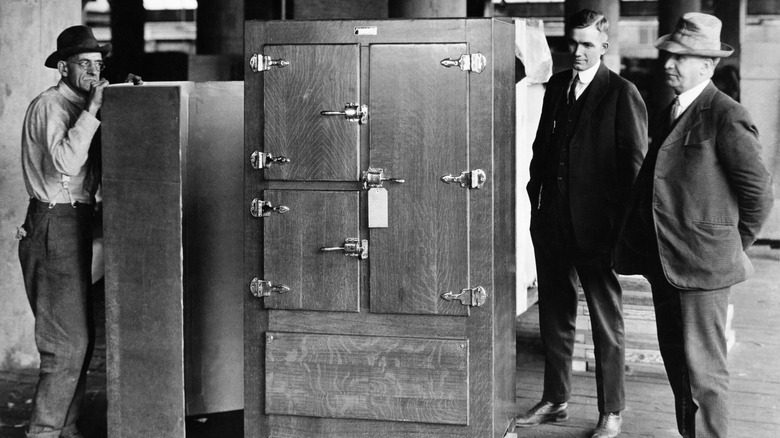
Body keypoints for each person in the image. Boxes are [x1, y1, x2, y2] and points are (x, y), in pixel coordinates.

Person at [615, 13, 774, 438]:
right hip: (667, 262)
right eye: (668, 54)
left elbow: (758, 193)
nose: (669, 63)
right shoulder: (674, 109)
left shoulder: (726, 114)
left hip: (704, 266)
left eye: (681, 57)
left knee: (705, 373)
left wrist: (729, 245)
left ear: (707, 65)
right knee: (680, 367)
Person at [520, 9, 648, 438]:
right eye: (573, 43)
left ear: (604, 47)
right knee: (554, 315)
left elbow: (634, 172)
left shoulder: (622, 93)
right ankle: (555, 400)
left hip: (598, 231)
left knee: (605, 321)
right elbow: (541, 153)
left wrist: (620, 232)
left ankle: (611, 410)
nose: (577, 52)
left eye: (588, 44)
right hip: (552, 225)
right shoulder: (557, 86)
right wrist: (537, 209)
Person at [18, 25, 111, 438]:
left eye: (98, 64)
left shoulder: (84, 104)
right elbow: (67, 165)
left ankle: (66, 429)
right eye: (84, 64)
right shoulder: (50, 106)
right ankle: (43, 432)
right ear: (63, 67)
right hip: (54, 220)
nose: (93, 71)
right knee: (64, 345)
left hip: (79, 220)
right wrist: (93, 110)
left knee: (82, 342)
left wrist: (125, 103)